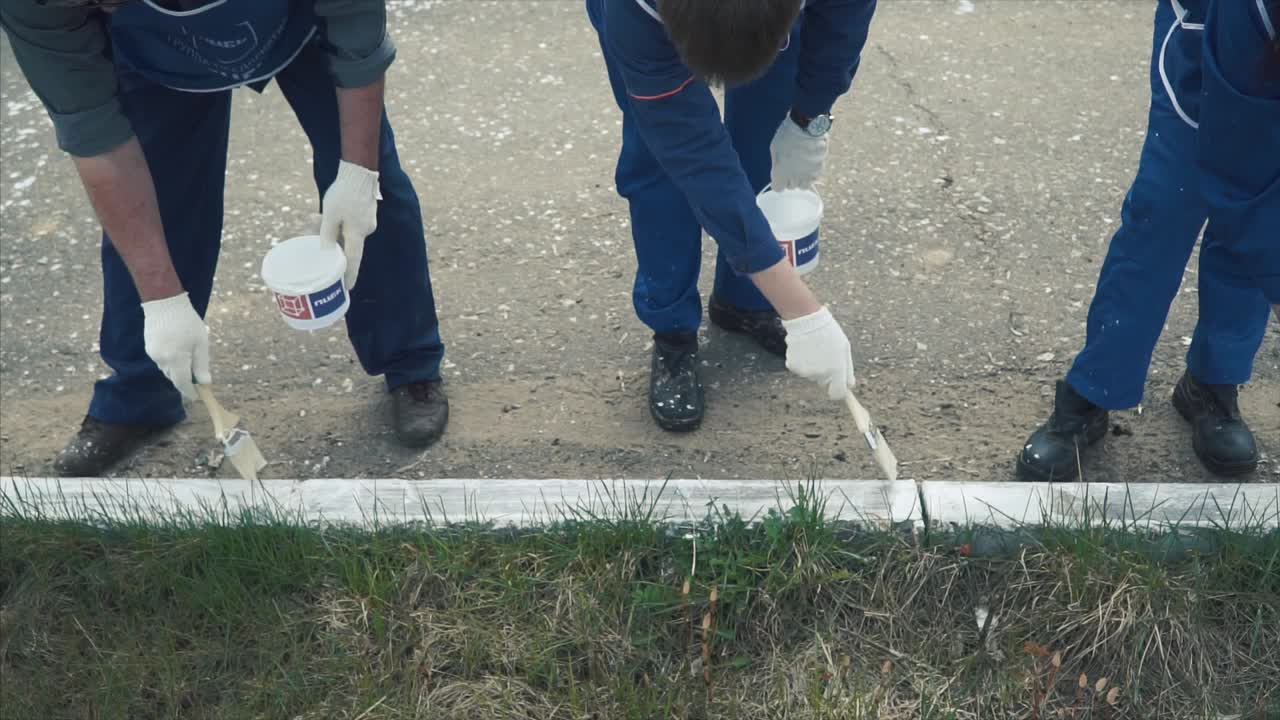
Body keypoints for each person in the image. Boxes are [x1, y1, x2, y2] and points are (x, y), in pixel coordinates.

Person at [0, 0, 449, 477]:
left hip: (298, 18)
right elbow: (93, 131)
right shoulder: (33, 4)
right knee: (157, 195)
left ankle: (410, 367)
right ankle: (142, 391)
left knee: (370, 193)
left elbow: (356, 31)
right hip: (157, 58)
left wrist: (359, 173)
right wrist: (162, 302)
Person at [1018, 0, 1278, 481]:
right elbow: (1239, 179)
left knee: (1263, 215)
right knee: (1164, 210)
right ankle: (1096, 386)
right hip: (1212, 43)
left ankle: (1213, 380)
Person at [586, 0, 874, 431]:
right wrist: (803, 309)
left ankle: (744, 302)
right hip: (647, 27)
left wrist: (809, 114)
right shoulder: (635, 12)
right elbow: (690, 150)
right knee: (661, 161)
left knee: (766, 130)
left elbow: (843, 21)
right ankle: (672, 329)